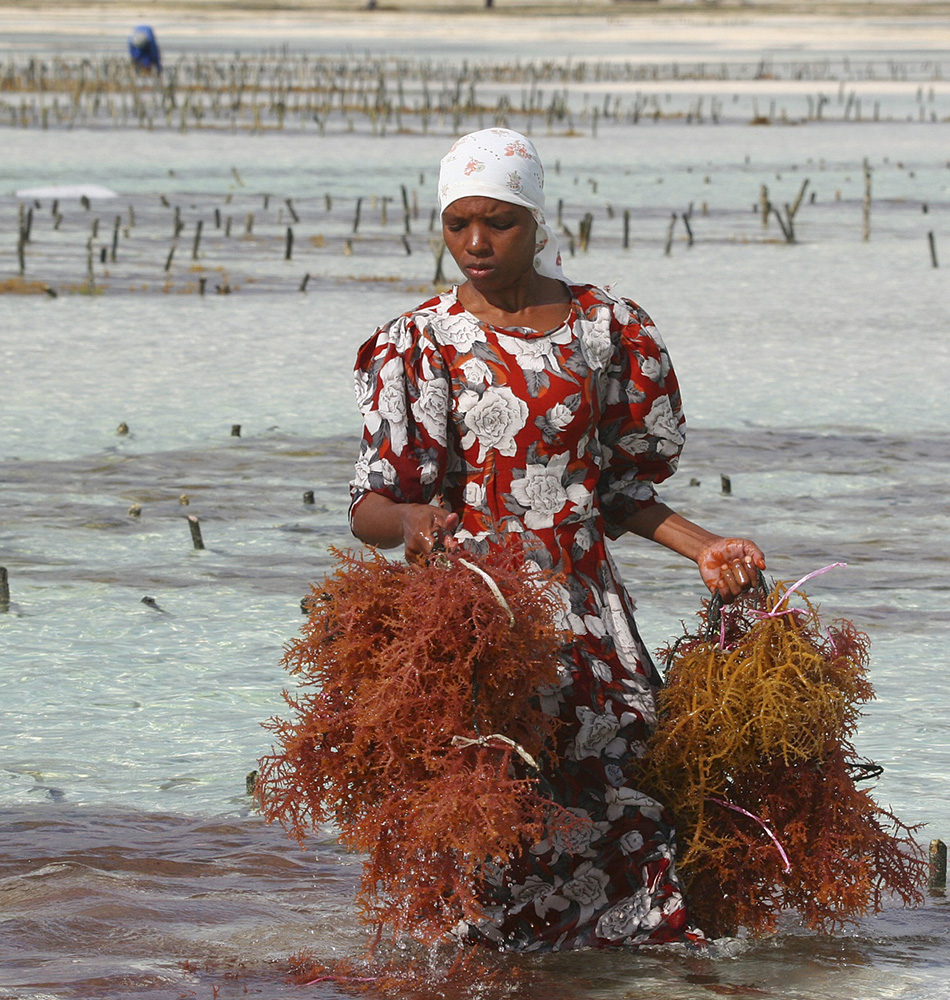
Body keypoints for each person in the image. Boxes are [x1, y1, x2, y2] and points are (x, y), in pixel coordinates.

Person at [348, 127, 765, 952]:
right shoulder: (419, 342)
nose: (474, 242)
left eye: (497, 222)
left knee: (623, 790)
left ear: (538, 221)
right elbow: (370, 503)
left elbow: (615, 493)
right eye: (457, 222)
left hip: (586, 619)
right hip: (478, 620)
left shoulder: (604, 329)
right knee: (494, 808)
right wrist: (412, 524)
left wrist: (704, 545)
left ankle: (639, 962)